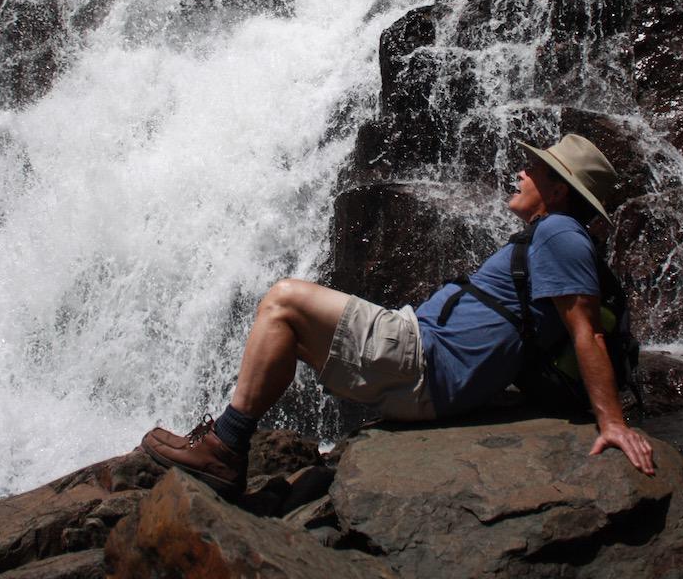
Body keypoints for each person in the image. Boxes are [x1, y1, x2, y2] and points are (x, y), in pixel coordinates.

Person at [142, 133, 655, 496]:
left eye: (535, 170)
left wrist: (611, 423)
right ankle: (224, 444)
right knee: (285, 333)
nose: (521, 172)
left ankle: (226, 447)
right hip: (425, 366)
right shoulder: (551, 235)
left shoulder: (561, 233)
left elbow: (585, 331)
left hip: (423, 361)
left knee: (283, 299)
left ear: (559, 190)